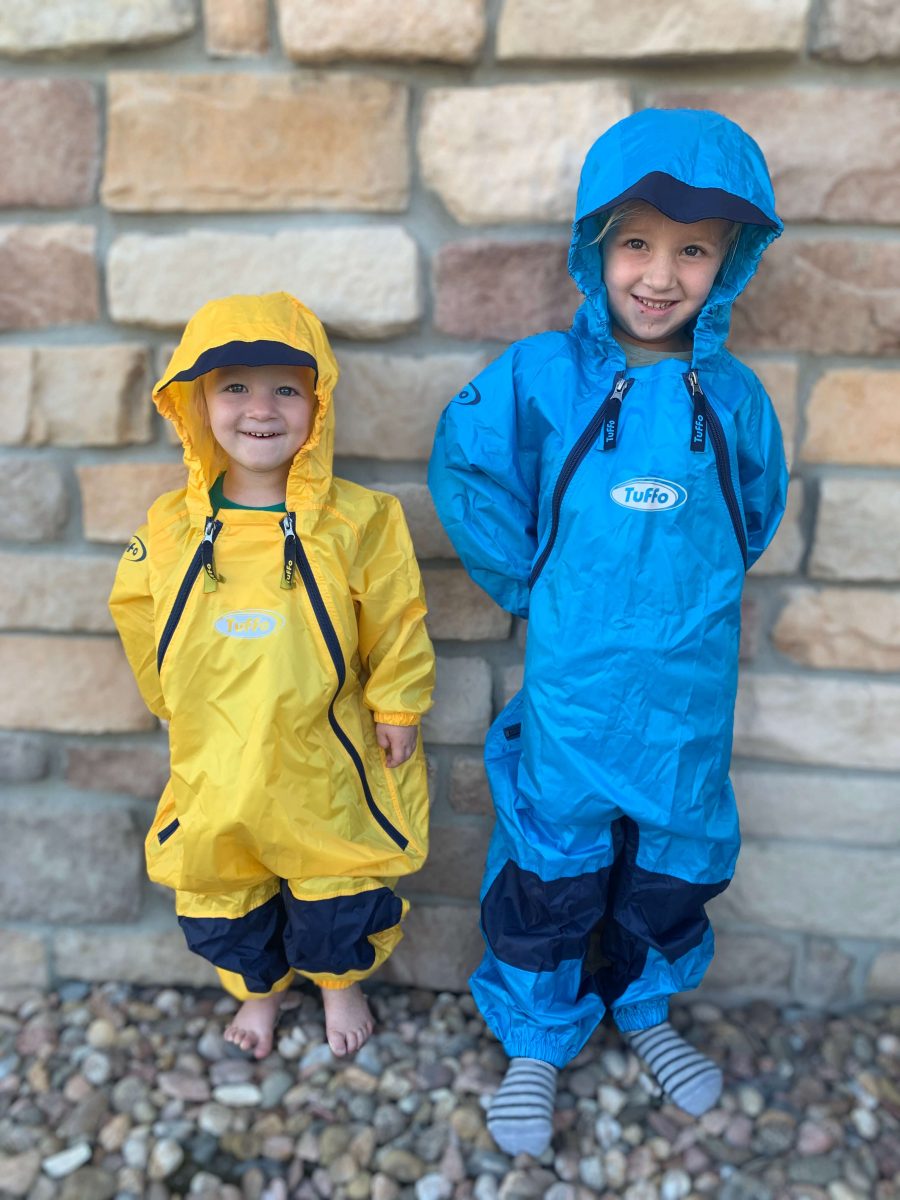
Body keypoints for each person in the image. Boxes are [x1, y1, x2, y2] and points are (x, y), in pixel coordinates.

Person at [428, 108, 788, 1155]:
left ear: (733, 258)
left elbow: (751, 512)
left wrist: (695, 592)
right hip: (578, 682)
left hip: (686, 685)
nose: (661, 273)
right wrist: (527, 580)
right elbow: (469, 464)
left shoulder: (734, 397)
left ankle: (644, 1006)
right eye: (636, 241)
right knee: (556, 855)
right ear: (596, 247)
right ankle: (538, 1037)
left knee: (676, 852)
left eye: (693, 248)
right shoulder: (546, 376)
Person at [110, 292, 434, 1059]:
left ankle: (337, 980)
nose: (261, 408)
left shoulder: (361, 518)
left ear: (318, 402)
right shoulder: (169, 526)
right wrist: (167, 701)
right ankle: (258, 989)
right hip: (216, 752)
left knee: (338, 874)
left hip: (324, 752)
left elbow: (397, 614)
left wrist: (397, 704)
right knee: (223, 883)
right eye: (235, 387)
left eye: (286, 387)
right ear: (195, 404)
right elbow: (136, 615)